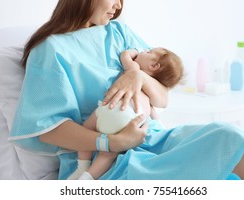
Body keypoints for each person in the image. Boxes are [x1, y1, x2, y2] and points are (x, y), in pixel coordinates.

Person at [9, 0, 244, 180]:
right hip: (105, 162)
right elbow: (46, 129)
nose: (118, 6)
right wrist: (110, 142)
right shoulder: (51, 50)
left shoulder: (119, 32)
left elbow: (162, 96)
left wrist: (136, 74)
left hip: (156, 139)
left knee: (229, 136)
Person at [68, 47, 184, 180]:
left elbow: (124, 56)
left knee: (87, 127)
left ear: (153, 65)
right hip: (130, 116)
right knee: (108, 153)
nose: (143, 51)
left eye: (148, 52)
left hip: (107, 108)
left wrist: (132, 52)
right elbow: (154, 113)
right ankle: (88, 177)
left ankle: (82, 165)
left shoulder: (134, 69)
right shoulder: (150, 92)